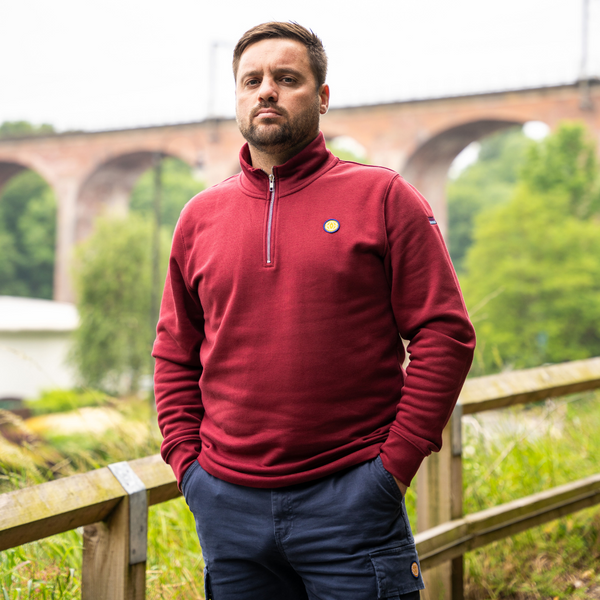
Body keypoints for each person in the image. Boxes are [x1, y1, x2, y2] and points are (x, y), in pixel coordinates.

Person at [153, 21, 476, 600]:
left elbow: (444, 335)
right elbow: (175, 352)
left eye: (286, 78)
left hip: (352, 502)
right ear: (237, 98)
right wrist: (188, 466)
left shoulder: (382, 197)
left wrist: (392, 467)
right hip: (227, 508)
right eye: (251, 80)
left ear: (322, 97)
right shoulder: (200, 217)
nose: (266, 90)